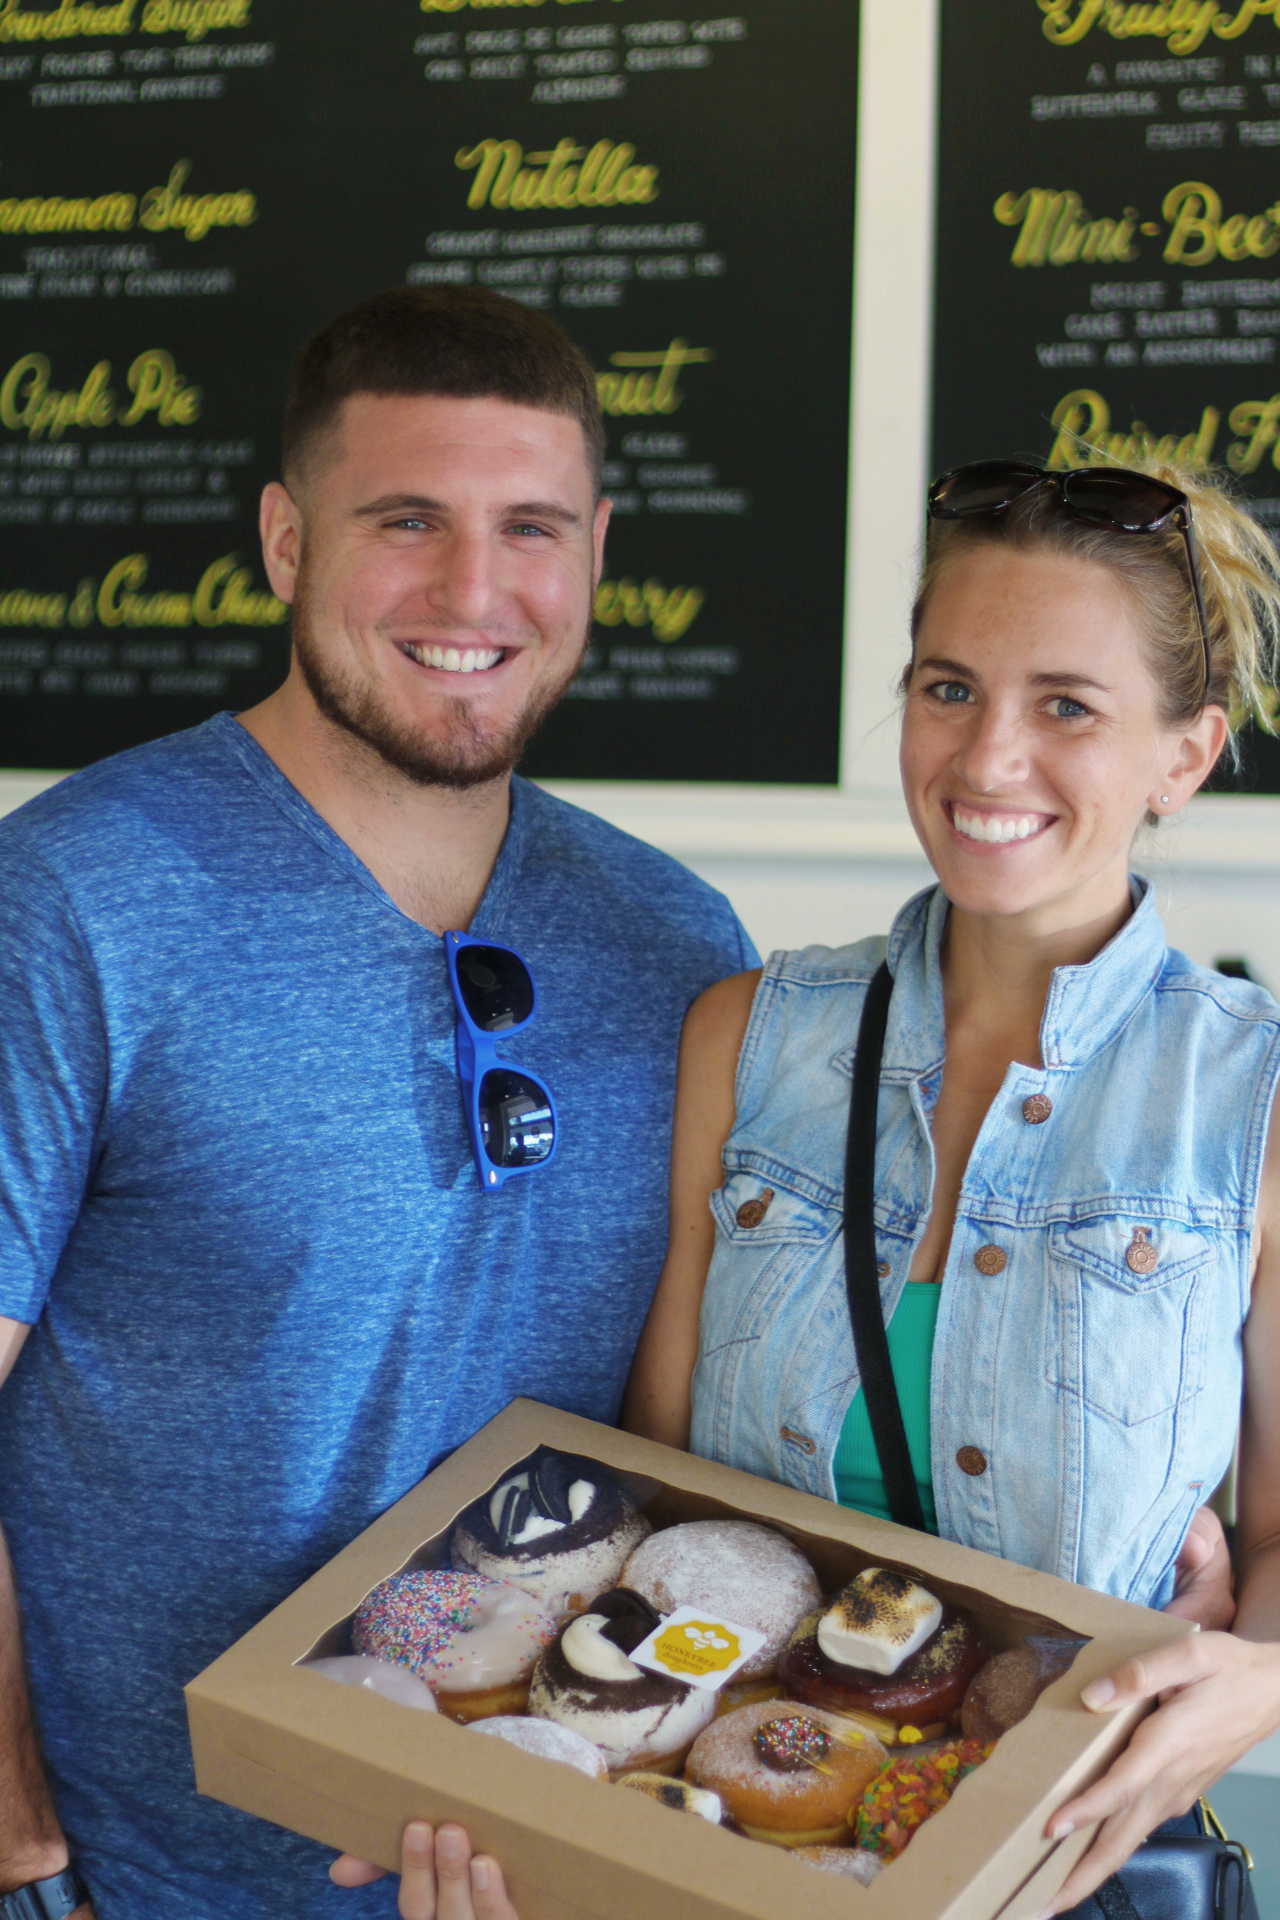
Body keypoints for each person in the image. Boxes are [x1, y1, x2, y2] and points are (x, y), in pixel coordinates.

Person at [0, 286, 757, 1920]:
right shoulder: (70, 900)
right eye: (406, 520)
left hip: (538, 1850)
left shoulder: (682, 942)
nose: (473, 591)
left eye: (531, 529)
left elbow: (705, 1413)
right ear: (286, 540)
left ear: (598, 552)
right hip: (145, 1874)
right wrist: (13, 1828)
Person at [623, 456, 1280, 1912]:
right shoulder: (749, 1036)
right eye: (948, 688)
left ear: (1184, 755)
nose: (987, 760)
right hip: (724, 1848)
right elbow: (656, 1489)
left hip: (1053, 1865)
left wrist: (1255, 1687)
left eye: (1068, 706)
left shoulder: (1255, 1100)